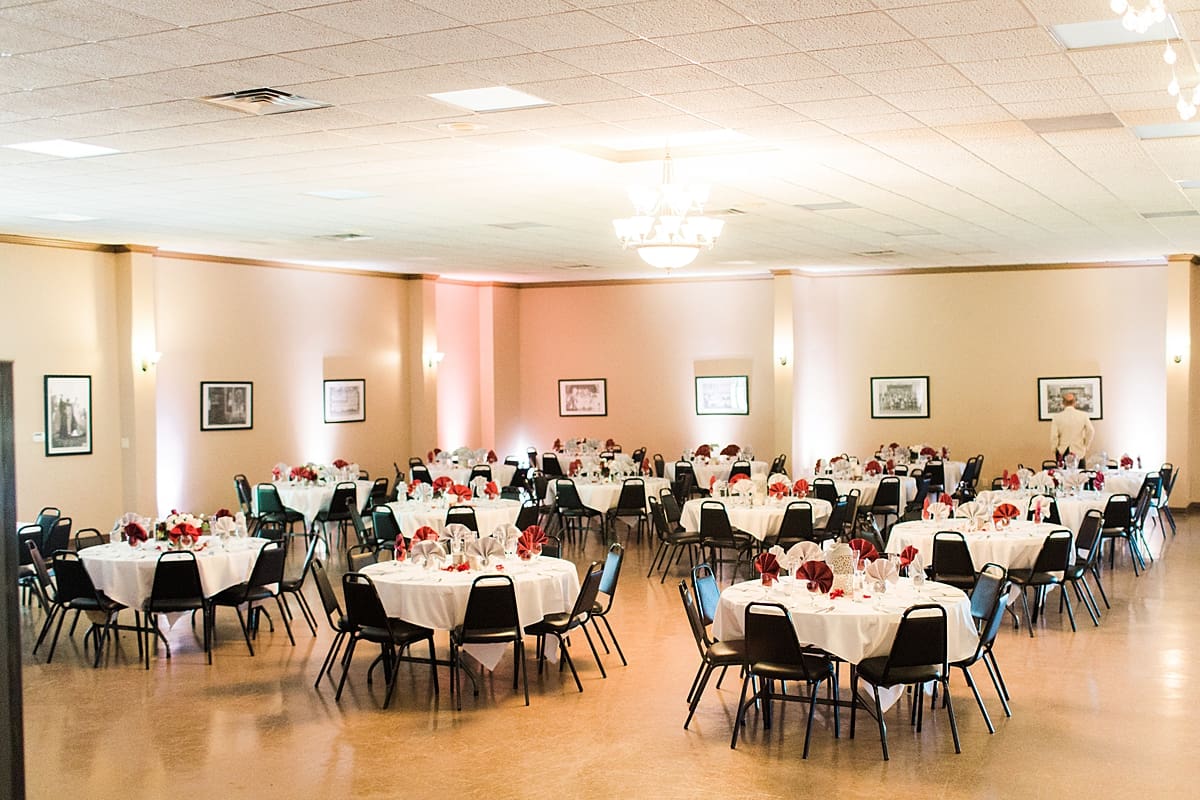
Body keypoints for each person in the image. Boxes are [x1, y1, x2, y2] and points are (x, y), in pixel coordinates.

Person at [1050, 392, 1094, 466]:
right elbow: (1091, 431)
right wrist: (1086, 445)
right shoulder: (1083, 415)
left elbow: (1054, 436)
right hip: (1079, 451)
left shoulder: (1057, 417)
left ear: (1063, 403)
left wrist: (1054, 449)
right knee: (1081, 475)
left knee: (1062, 475)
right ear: (1075, 402)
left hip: (1062, 451)